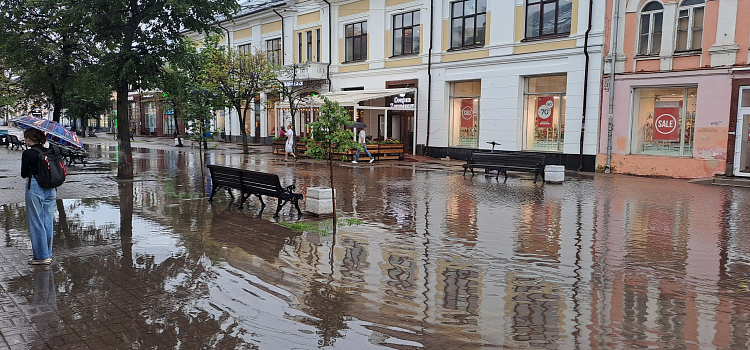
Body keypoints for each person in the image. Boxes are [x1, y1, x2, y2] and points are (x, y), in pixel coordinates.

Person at [21, 128, 56, 265]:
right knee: (48, 221)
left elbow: (24, 174)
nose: (25, 140)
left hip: (35, 187)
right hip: (51, 188)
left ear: (29, 139)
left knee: (36, 221)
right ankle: (48, 253)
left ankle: (41, 257)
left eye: (25, 138)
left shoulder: (28, 153)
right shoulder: (49, 151)